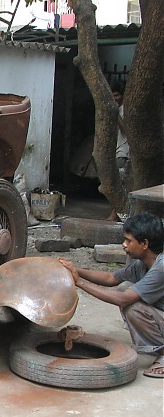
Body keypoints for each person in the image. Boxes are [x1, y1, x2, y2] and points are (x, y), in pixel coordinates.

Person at [59, 212, 164, 378]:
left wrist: (79, 282)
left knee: (132, 306)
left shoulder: (161, 267)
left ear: (144, 243)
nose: (124, 245)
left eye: (128, 241)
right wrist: (74, 269)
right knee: (125, 287)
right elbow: (111, 278)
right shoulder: (143, 264)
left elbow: (123, 300)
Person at [106, 82, 130, 221]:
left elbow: (126, 130)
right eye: (112, 95)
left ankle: (114, 214)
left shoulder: (123, 110)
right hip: (116, 151)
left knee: (119, 185)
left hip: (122, 152)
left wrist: (115, 114)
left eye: (117, 95)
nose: (114, 98)